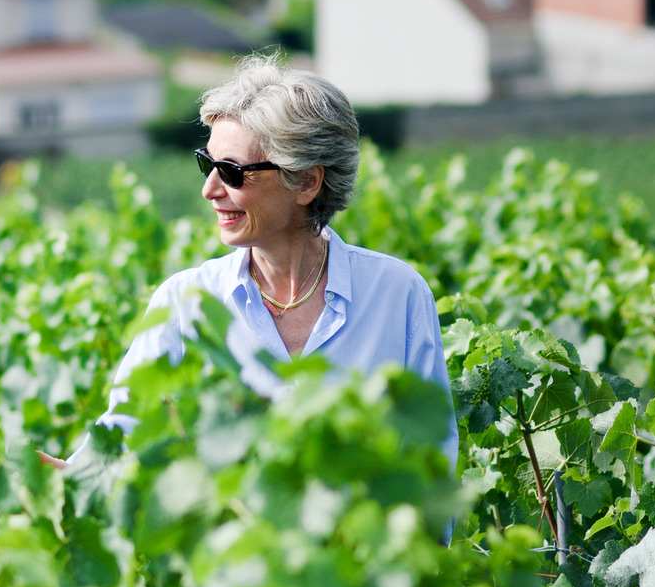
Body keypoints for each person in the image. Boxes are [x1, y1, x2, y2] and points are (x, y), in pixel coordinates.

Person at [61, 57, 456, 464]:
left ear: (305, 181)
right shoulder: (184, 303)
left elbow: (432, 459)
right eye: (206, 164)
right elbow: (123, 435)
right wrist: (68, 481)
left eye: (231, 171)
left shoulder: (398, 294)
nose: (210, 189)